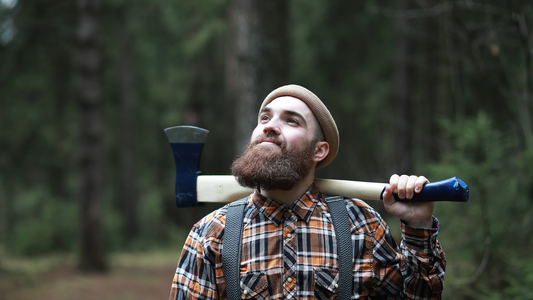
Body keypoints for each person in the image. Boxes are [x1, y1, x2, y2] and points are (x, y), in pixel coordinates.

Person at [169, 84, 445, 299]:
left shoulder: (361, 225)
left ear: (319, 150)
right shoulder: (211, 234)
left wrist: (418, 227)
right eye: (264, 117)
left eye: (292, 121)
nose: (269, 125)